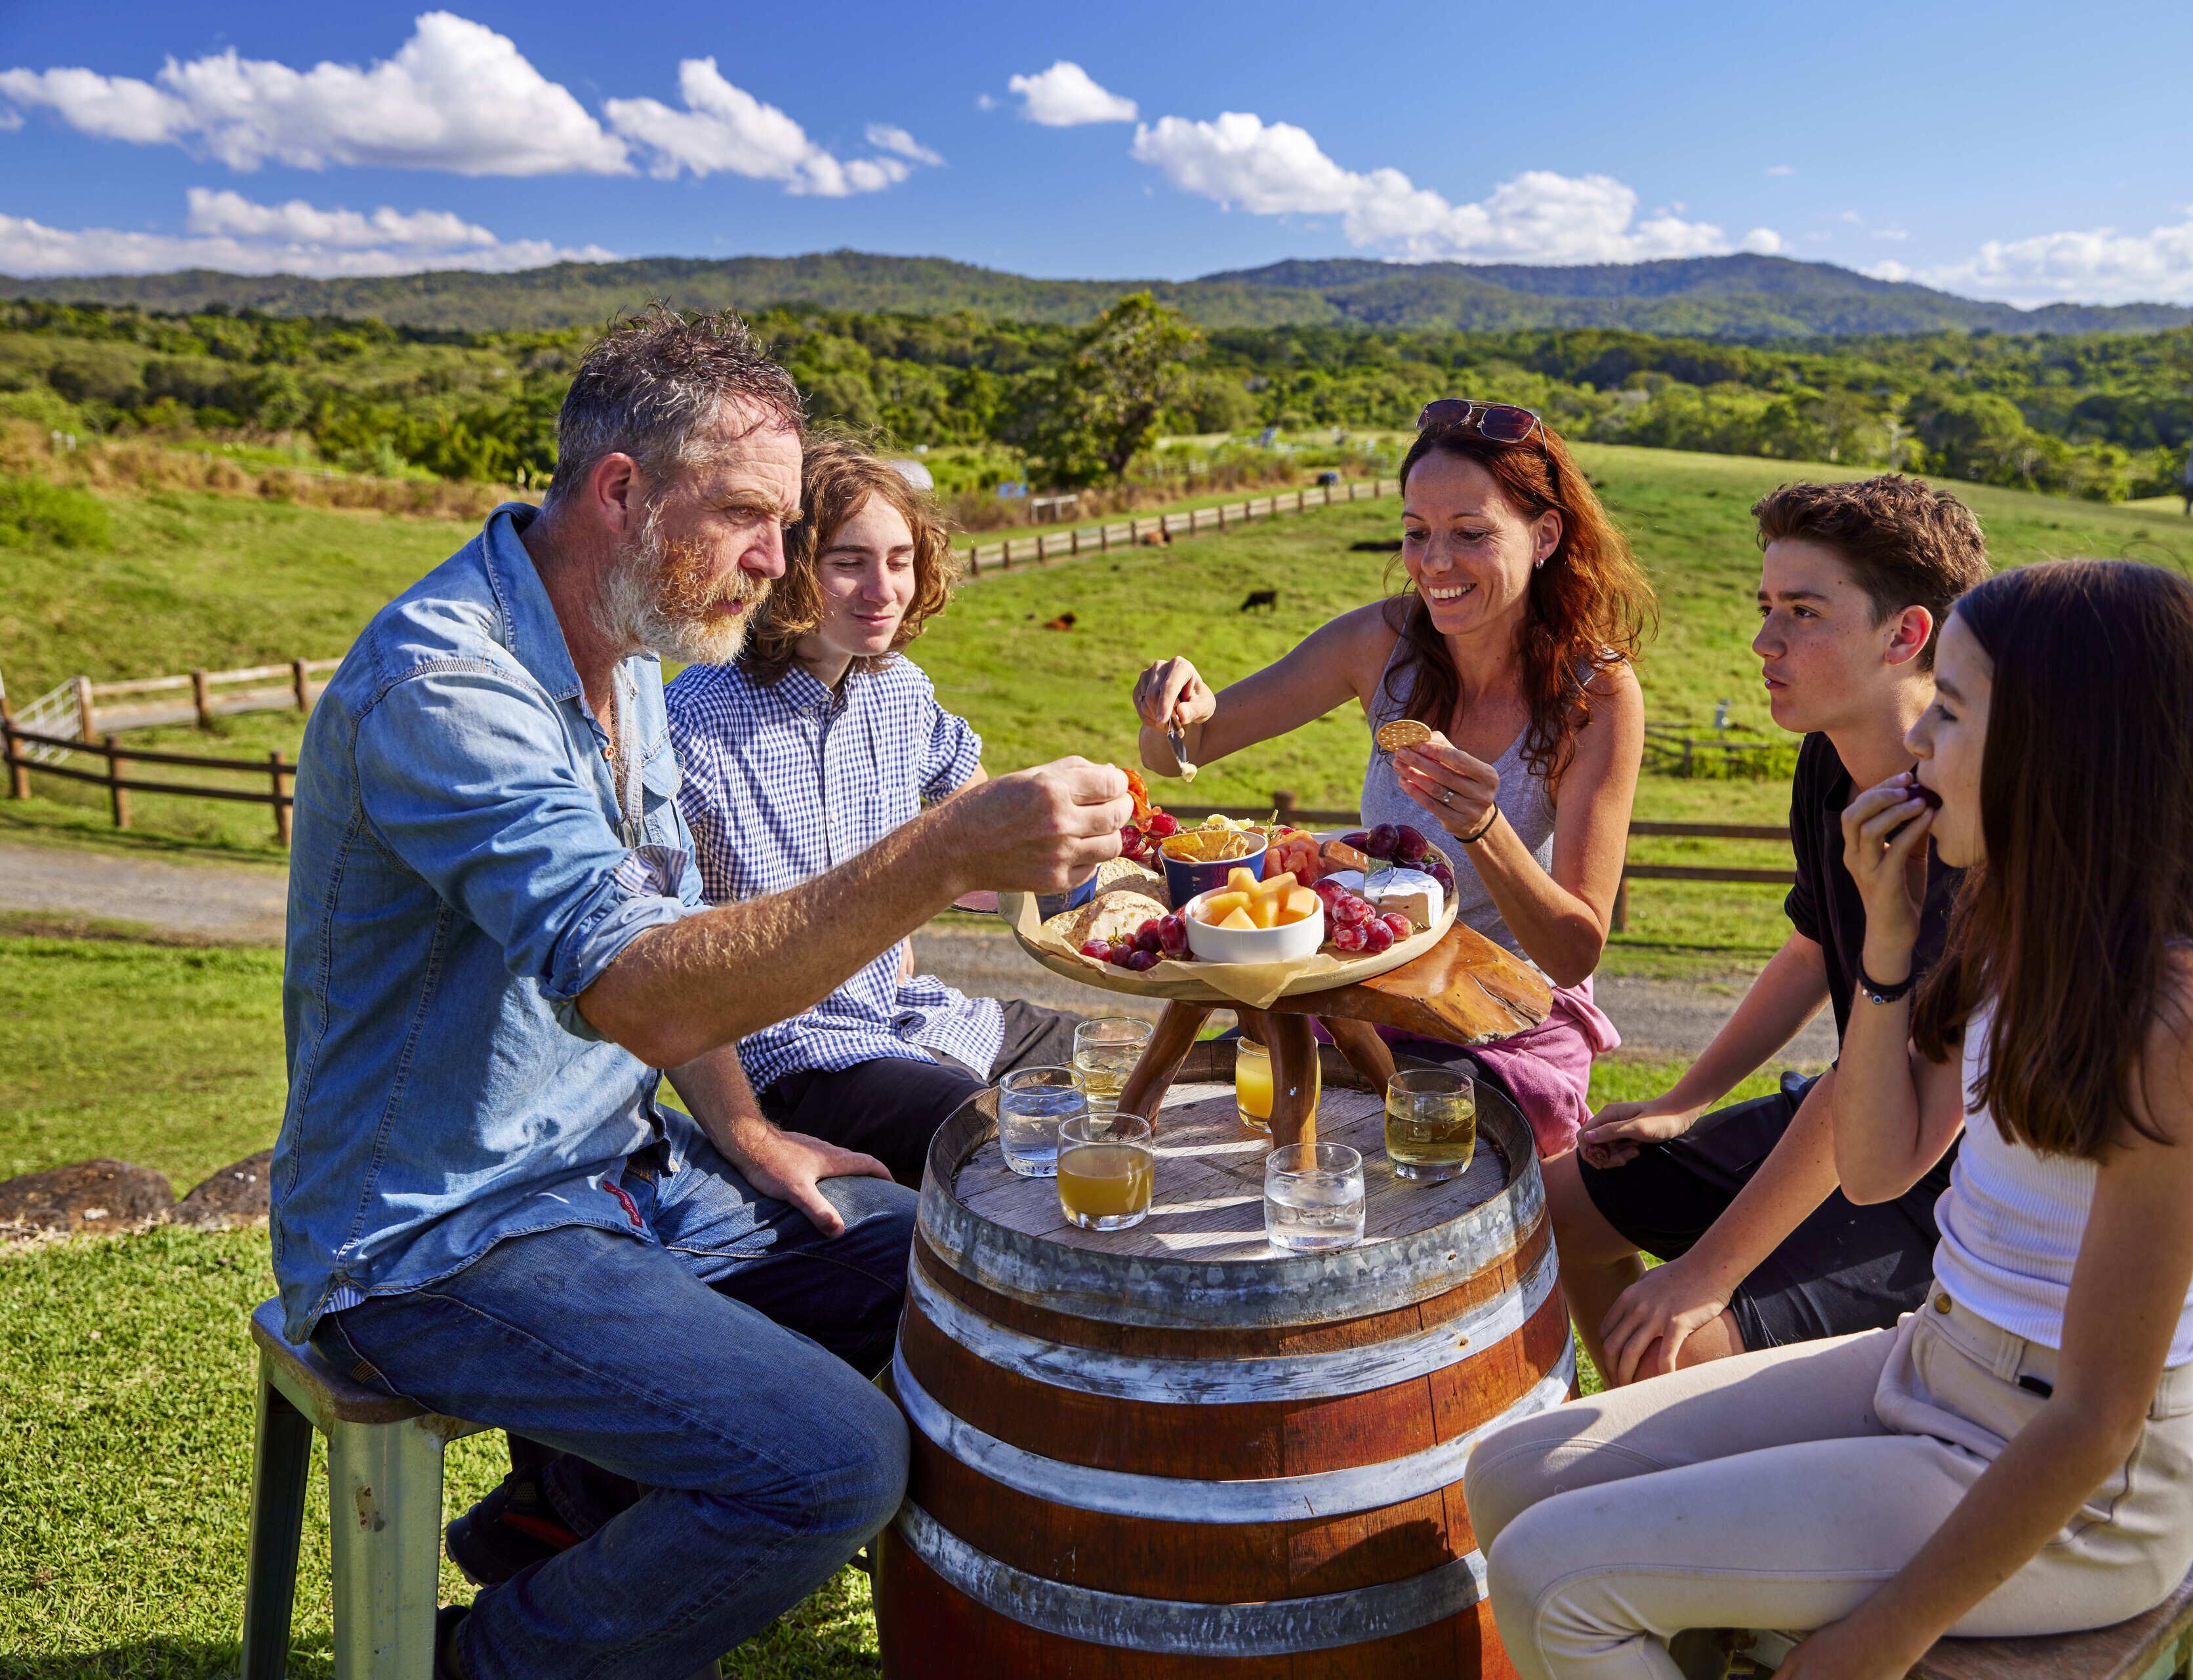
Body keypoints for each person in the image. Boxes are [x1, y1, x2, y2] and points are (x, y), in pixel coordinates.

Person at [270, 310, 1130, 1680]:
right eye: (747, 515)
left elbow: (676, 935)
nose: (776, 562)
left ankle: (580, 1501)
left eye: (785, 523)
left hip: (625, 1179)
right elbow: (643, 988)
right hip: (438, 1236)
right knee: (832, 1462)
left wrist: (745, 1127)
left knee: (964, 1274)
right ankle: (470, 1662)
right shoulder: (444, 686)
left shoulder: (630, 655)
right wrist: (945, 851)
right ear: (623, 491)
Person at [1466, 558, 2193, 1679]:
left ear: (2061, 751)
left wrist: (1878, 1641)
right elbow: (1875, 1167)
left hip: (2075, 1482)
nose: (1919, 744)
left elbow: (2100, 1413)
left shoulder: (2179, 1015)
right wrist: (1886, 939)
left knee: (1555, 1578)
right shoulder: (2018, 924)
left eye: (1953, 711)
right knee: (1509, 1479)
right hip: (1930, 1361)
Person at [1553, 476, 1989, 1382]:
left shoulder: (1968, 827)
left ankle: (1667, 1445)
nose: (1764, 642)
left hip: (1939, 1182)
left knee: (1667, 1342)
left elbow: (1904, 1082)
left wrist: (1705, 1276)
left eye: (1802, 611)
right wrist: (1688, 1098)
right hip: (1843, 1110)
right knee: (1552, 1209)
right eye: (1765, 606)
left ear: (1906, 635)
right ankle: (1647, 1446)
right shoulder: (1828, 765)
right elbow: (1813, 948)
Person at [1131, 399, 1650, 1153]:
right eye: (1416, 533)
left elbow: (1575, 950)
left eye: (1470, 534)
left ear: (1545, 536)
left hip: (1509, 1016)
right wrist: (1174, 704)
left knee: (1388, 1158)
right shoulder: (1380, 642)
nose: (1434, 562)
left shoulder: (1596, 692)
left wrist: (1486, 827)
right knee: (1242, 1130)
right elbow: (1186, 746)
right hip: (1372, 992)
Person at [666, 434, 1091, 1188]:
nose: (884, 589)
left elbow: (996, 822)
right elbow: (668, 974)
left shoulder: (899, 690)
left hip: (912, 1016)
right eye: (849, 562)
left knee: (1129, 1059)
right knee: (998, 1130)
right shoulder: (692, 723)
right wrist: (753, 1139)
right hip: (797, 1057)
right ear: (788, 565)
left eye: (899, 561)